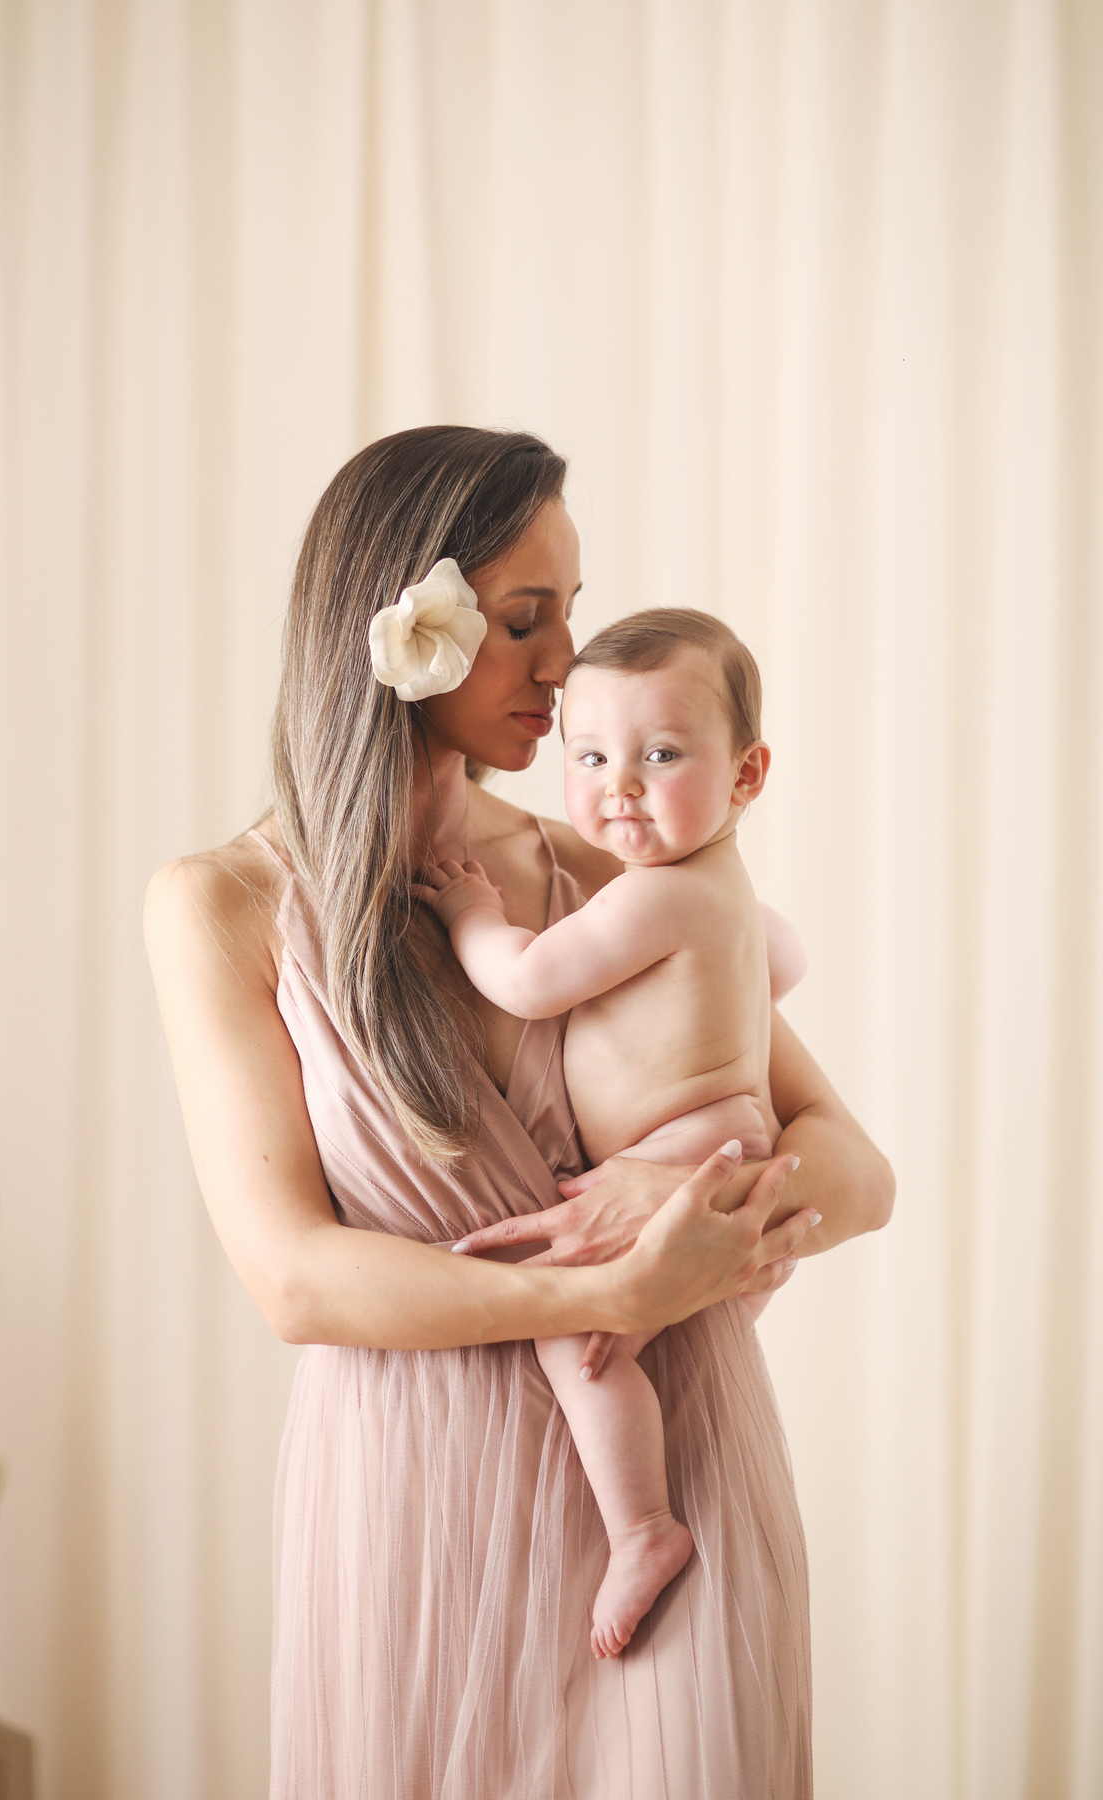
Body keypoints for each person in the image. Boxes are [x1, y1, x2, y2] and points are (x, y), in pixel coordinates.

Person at [143, 426, 894, 1799]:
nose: (565, 665)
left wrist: (712, 1220)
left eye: (573, 614)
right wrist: (606, 1292)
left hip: (681, 1480)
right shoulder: (225, 907)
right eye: (522, 619)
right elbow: (296, 1282)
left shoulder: (599, 868)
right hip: (408, 1505)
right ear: (398, 630)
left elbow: (855, 1167)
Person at [417, 607, 803, 1662]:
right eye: (589, 756)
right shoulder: (720, 890)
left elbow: (530, 981)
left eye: (660, 754)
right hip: (725, 1150)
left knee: (572, 1338)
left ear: (746, 774)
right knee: (623, 1343)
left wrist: (466, 915)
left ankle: (643, 1527)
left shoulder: (655, 898)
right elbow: (788, 960)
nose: (618, 783)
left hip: (683, 1160)